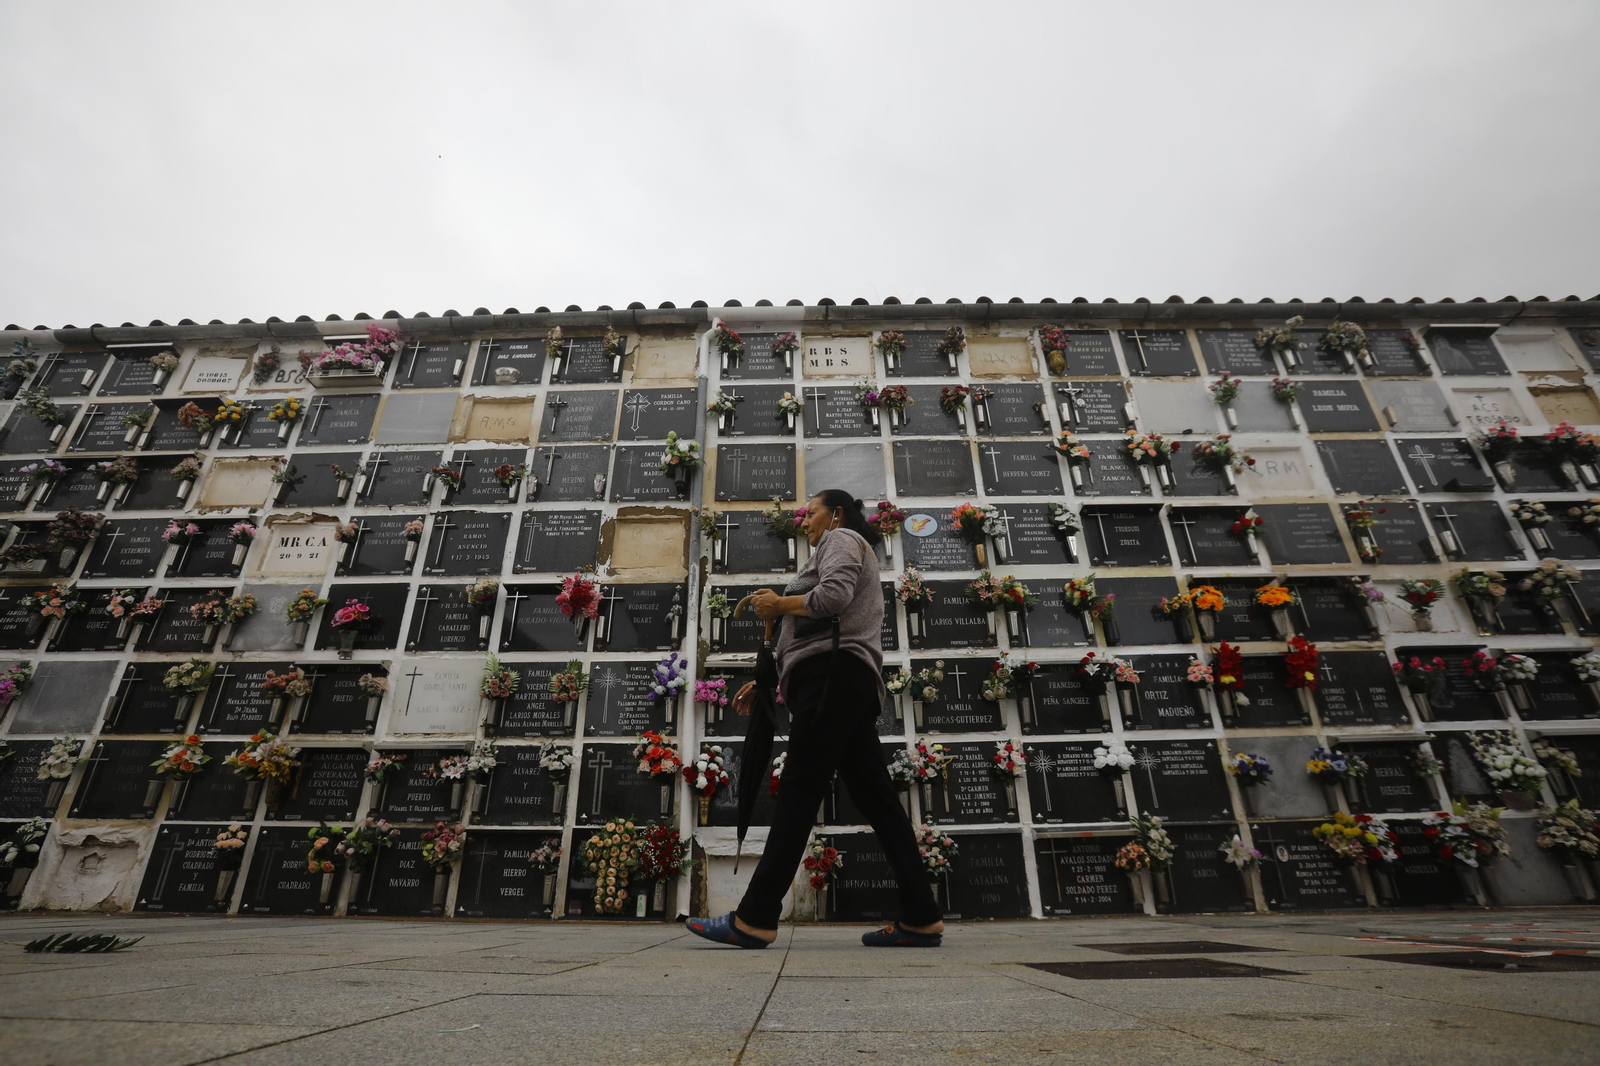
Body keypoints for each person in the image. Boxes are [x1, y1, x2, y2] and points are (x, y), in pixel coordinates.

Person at [686, 489, 944, 949]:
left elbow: (832, 598)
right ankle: (921, 916)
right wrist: (773, 682)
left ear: (837, 514)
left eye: (811, 513)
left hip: (833, 676)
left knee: (800, 791)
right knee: (878, 801)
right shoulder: (841, 545)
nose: (804, 522)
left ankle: (754, 918)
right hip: (839, 680)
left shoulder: (841, 539)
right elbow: (814, 631)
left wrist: (778, 605)